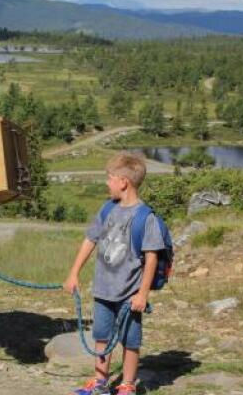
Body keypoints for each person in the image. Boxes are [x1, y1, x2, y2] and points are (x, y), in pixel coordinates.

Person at [64, 152, 165, 395]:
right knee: (101, 336)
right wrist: (73, 273)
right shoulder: (107, 209)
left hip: (130, 295)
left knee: (131, 341)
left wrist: (142, 294)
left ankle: (127, 384)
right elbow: (90, 240)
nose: (107, 183)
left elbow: (152, 258)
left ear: (123, 182)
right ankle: (100, 382)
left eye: (110, 178)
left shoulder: (145, 217)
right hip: (103, 290)